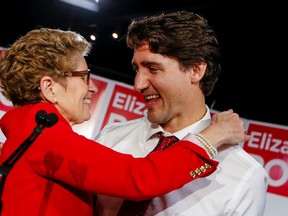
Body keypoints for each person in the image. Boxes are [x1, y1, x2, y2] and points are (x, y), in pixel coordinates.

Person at [0, 28, 248, 216]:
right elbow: (139, 179)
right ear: (49, 88)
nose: (93, 87)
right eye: (84, 77)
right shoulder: (46, 138)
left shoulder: (29, 135)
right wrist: (212, 137)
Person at [94, 11, 268, 216]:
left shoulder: (244, 176)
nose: (138, 84)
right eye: (137, 69)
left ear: (196, 70)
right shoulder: (110, 138)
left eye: (153, 68)